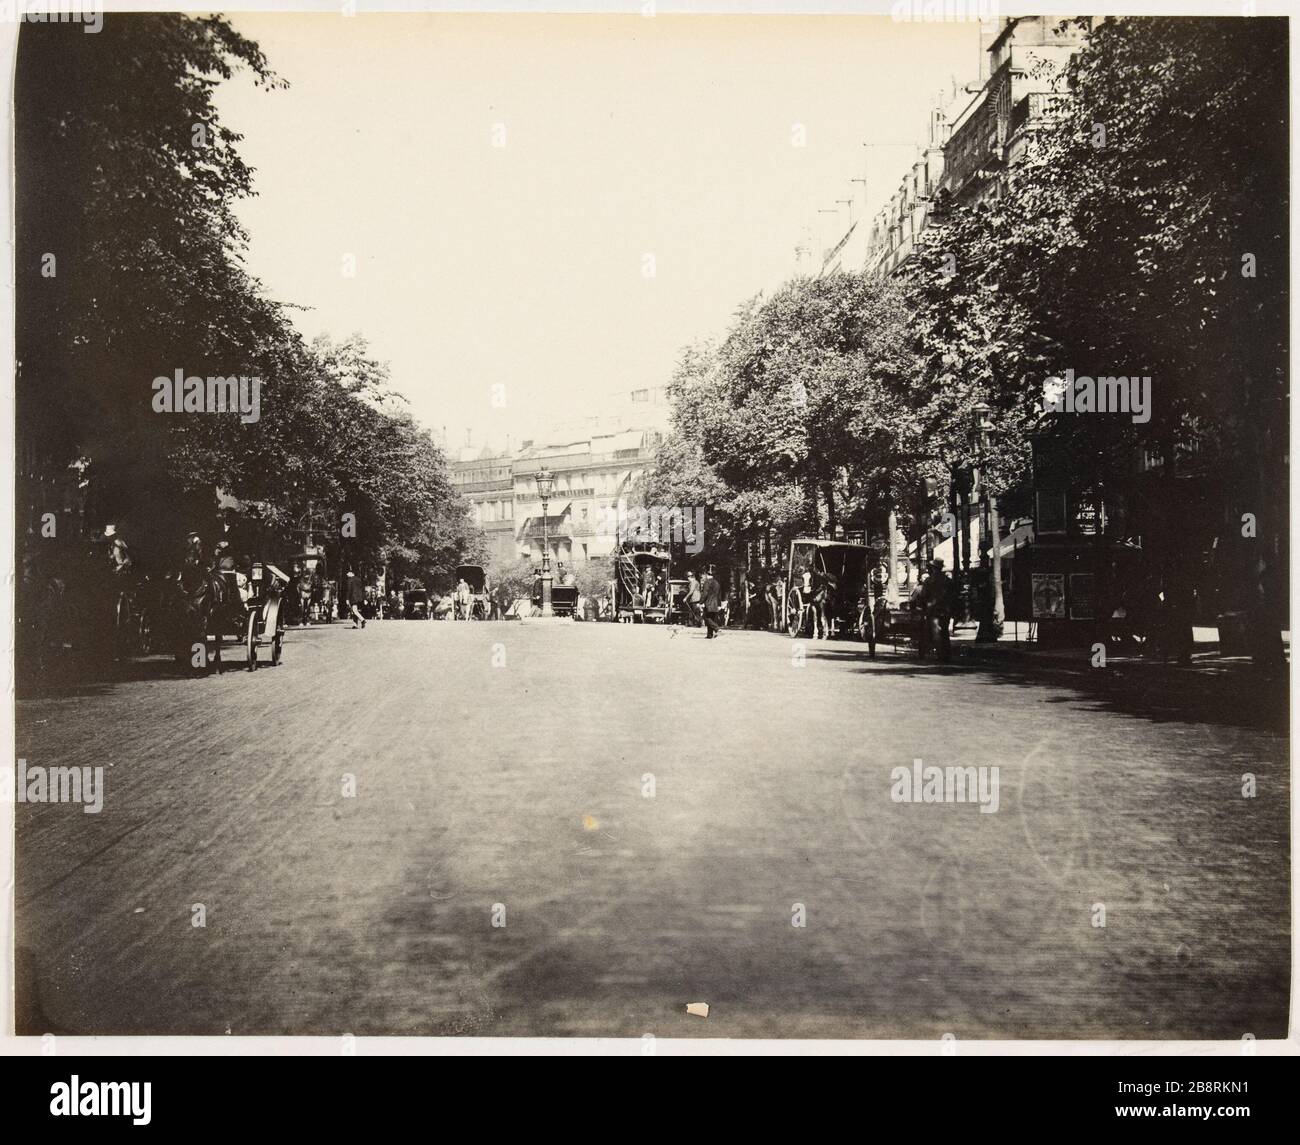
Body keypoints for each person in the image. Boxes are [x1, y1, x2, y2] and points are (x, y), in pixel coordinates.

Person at [700, 566, 723, 639]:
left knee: (706, 617)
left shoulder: (707, 582)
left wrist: (701, 602)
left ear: (707, 575)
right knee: (711, 618)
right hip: (715, 603)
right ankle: (709, 635)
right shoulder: (717, 583)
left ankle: (716, 628)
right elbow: (719, 594)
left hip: (708, 603)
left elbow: (705, 593)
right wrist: (719, 604)